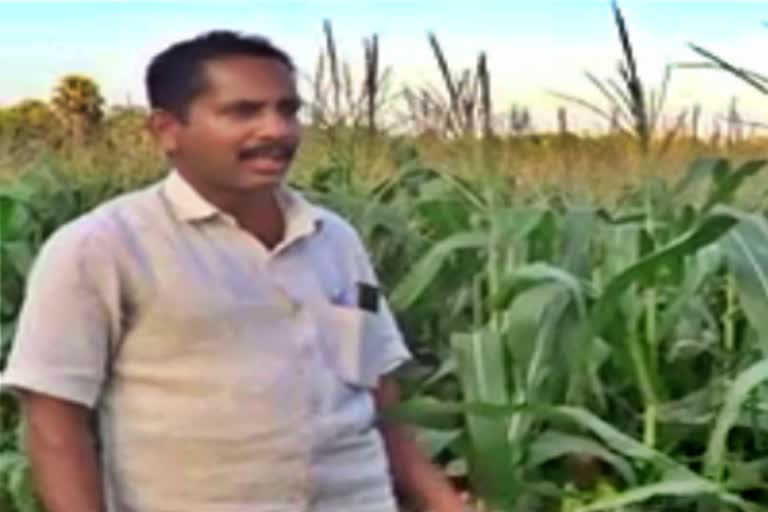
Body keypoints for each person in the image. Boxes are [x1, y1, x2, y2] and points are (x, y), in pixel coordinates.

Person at [1, 31, 467, 512]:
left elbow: (380, 391)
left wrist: (442, 502)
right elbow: (54, 421)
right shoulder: (103, 246)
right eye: (243, 111)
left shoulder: (335, 238)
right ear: (167, 130)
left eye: (288, 109)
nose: (276, 130)